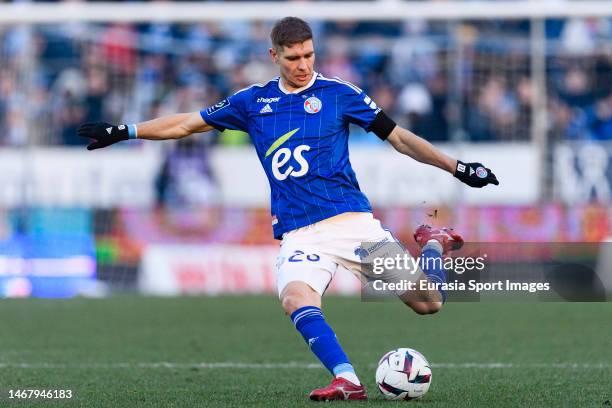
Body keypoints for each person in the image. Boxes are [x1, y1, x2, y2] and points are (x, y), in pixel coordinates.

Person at [78, 17, 499, 401]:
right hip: (300, 233)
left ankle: (433, 244)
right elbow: (187, 123)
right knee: (296, 297)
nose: (303, 65)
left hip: (352, 224)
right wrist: (125, 130)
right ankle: (347, 379)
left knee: (430, 302)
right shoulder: (252, 102)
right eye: (294, 57)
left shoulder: (339, 94)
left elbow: (400, 137)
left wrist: (458, 167)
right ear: (274, 55)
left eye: (309, 55)